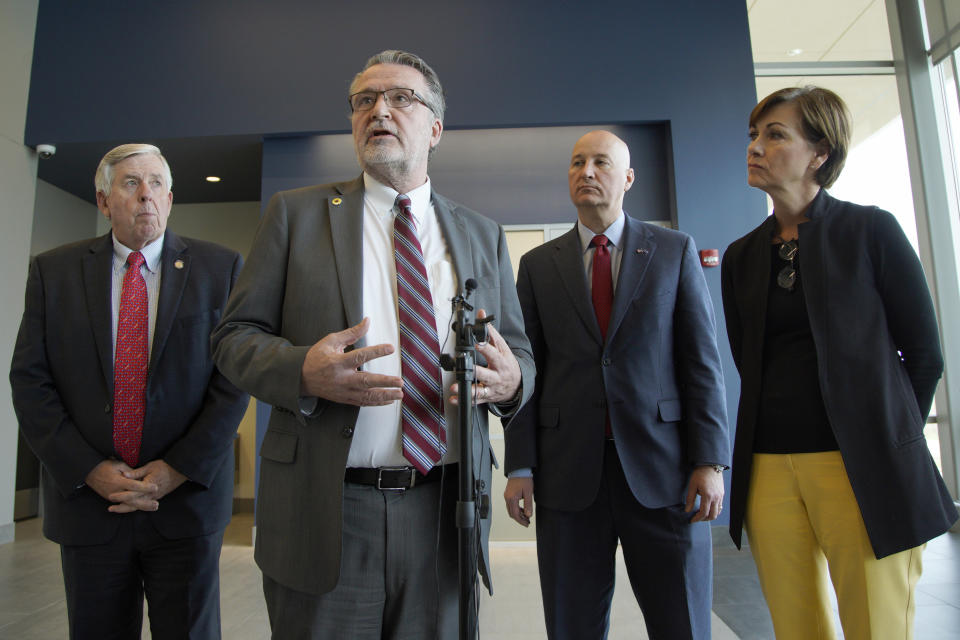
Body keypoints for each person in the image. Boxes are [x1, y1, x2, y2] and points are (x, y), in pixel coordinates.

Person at [210, 50, 534, 638]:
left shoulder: (480, 233)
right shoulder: (296, 215)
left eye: (400, 98)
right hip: (328, 508)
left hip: (446, 512)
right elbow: (233, 339)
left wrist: (513, 382)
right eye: (364, 101)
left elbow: (521, 353)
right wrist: (302, 371)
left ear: (435, 128)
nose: (378, 110)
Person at [721, 86, 959, 640]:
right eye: (754, 135)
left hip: (863, 466)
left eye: (775, 134)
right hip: (769, 468)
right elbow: (745, 357)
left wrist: (886, 435)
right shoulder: (741, 256)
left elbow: (924, 354)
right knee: (795, 626)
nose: (756, 146)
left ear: (820, 152)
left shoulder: (871, 232)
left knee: (876, 624)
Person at [9, 143, 249, 639]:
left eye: (157, 184)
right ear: (103, 201)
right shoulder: (53, 273)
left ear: (171, 197)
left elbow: (232, 380)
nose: (146, 196)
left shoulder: (219, 269)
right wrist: (88, 470)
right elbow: (31, 381)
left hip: (183, 505)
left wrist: (178, 468)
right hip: (90, 505)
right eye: (131, 183)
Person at [503, 130, 730, 639]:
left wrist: (709, 461)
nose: (586, 172)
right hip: (568, 477)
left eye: (601, 163)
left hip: (664, 473)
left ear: (627, 178)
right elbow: (526, 371)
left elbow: (702, 365)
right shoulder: (539, 266)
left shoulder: (673, 251)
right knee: (572, 624)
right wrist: (521, 465)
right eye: (577, 163)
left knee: (683, 623)